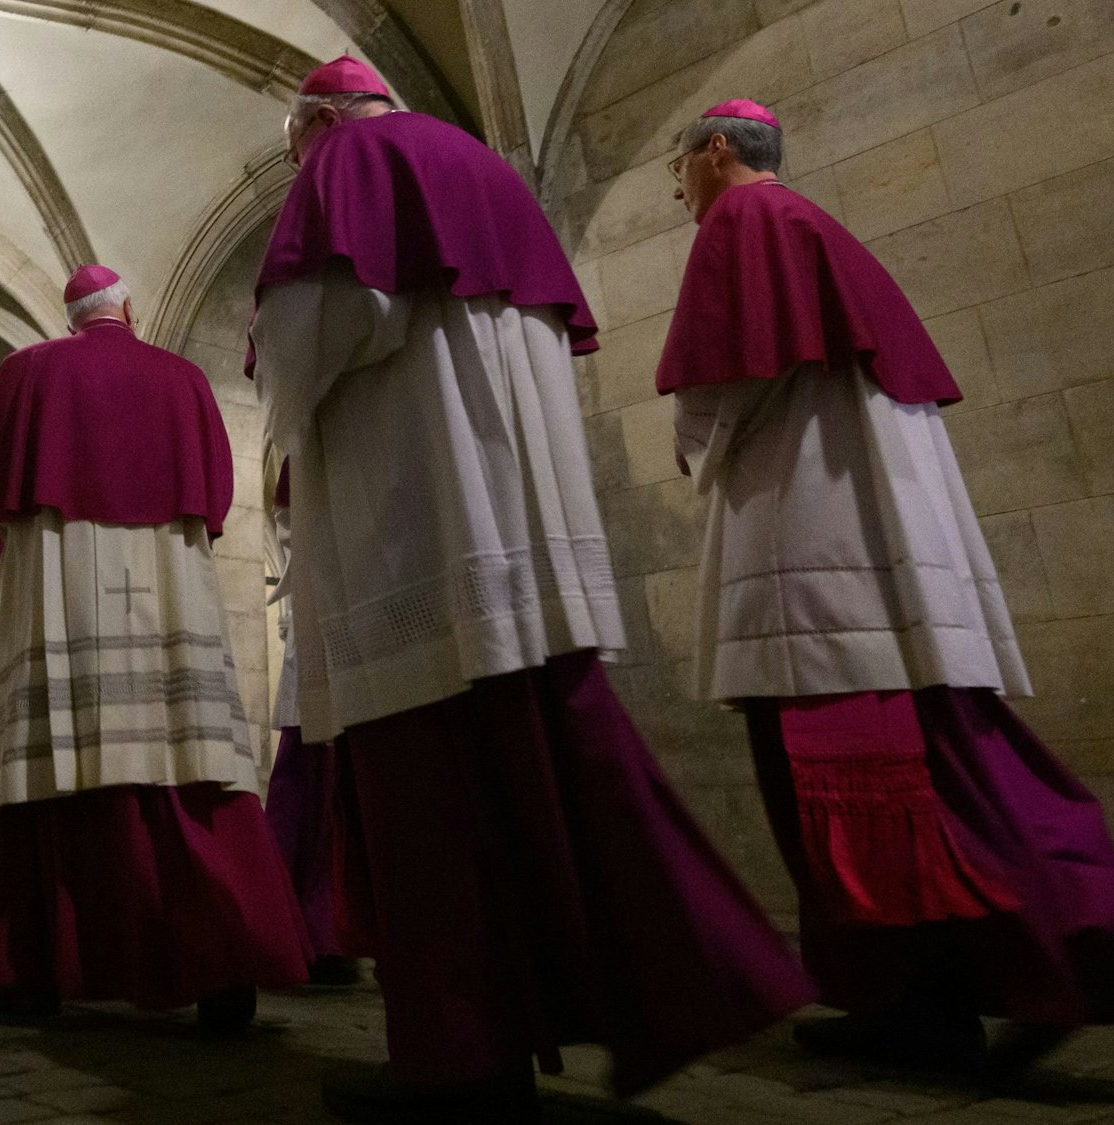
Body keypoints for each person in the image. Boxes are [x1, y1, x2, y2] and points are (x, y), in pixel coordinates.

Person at [248, 58, 813, 1118]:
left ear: (321, 117)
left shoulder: (351, 158)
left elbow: (314, 333)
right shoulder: (482, 170)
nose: (297, 166)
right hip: (518, 527)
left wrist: (270, 385)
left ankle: (457, 1061)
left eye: (293, 148)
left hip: (418, 520)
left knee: (429, 804)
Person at [661, 98, 1114, 1078]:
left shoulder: (745, 220)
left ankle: (941, 1000)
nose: (679, 191)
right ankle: (947, 998)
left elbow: (719, 387)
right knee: (954, 770)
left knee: (864, 783)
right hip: (885, 534)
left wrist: (688, 445)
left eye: (678, 168)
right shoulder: (816, 228)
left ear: (716, 149)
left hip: (815, 533)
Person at [0, 263, 311, 1028]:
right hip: (166, 575)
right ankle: (224, 962)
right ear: (130, 309)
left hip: (61, 573)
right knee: (185, 754)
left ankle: (35, 968)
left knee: (59, 755)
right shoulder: (183, 377)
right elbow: (216, 498)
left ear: (72, 317)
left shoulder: (28, 372)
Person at [261, 457, 371, 986]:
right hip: (324, 597)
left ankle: (333, 929)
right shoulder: (302, 447)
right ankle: (298, 928)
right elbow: (289, 512)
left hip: (352, 598)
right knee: (308, 780)